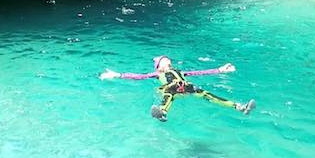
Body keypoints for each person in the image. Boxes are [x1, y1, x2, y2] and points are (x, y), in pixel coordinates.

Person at [100, 55, 256, 122]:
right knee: (168, 94)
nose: (168, 62)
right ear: (159, 66)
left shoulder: (180, 71)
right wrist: (117, 74)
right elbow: (137, 76)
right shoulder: (156, 74)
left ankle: (239, 107)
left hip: (185, 87)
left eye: (168, 60)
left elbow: (200, 72)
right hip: (171, 88)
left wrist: (220, 70)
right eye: (164, 61)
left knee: (208, 94)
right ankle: (162, 113)